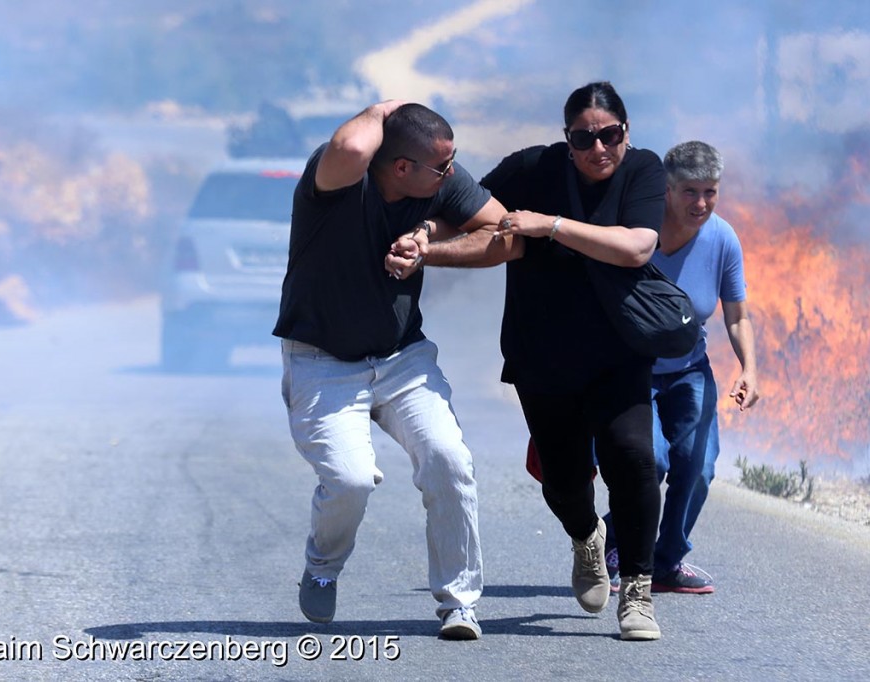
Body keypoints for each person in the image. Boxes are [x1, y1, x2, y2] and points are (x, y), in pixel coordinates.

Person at [407, 81, 666, 641]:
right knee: (563, 480)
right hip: (542, 353)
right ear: (566, 139)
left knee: (634, 458)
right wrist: (428, 233)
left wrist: (547, 225)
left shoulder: (644, 171)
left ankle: (639, 591)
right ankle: (586, 538)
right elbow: (465, 208)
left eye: (610, 135)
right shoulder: (532, 170)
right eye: (583, 138)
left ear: (627, 132)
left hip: (619, 353)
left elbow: (637, 247)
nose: (599, 149)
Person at [273, 100, 506, 640]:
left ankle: (459, 603)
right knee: (351, 480)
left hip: (402, 355)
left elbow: (505, 235)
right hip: (322, 360)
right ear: (401, 167)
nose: (452, 175)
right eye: (442, 168)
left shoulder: (437, 179)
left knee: (448, 458)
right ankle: (322, 567)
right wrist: (383, 106)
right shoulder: (337, 179)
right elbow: (355, 144)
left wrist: (430, 242)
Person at [602, 140, 760, 595]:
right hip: (632, 370)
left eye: (711, 191)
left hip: (691, 370)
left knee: (698, 466)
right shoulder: (636, 231)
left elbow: (737, 314)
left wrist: (749, 367)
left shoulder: (723, 239)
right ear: (666, 190)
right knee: (649, 461)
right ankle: (618, 542)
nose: (702, 203)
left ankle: (666, 562)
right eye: (690, 191)